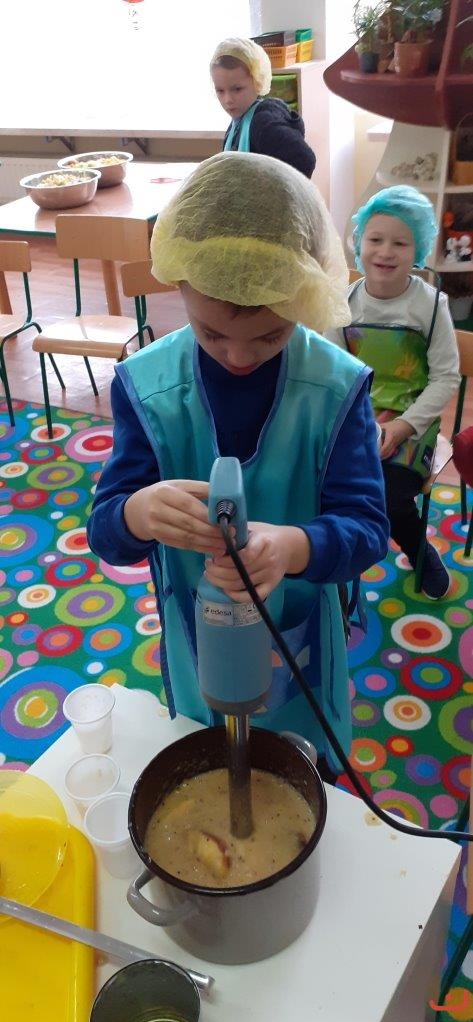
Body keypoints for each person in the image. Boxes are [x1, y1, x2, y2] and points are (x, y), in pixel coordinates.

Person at [87, 151, 388, 774]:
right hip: (198, 647)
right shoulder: (147, 388)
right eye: (211, 333)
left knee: (305, 772)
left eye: (271, 336)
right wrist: (137, 513)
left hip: (303, 649)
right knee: (212, 765)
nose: (240, 356)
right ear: (178, 286)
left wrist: (293, 546)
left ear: (306, 300)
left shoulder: (335, 389)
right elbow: (106, 533)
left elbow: (366, 529)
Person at [325, 185, 461, 600]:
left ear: (417, 248)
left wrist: (402, 426)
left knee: (386, 494)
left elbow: (446, 378)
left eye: (400, 243)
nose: (385, 251)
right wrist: (358, 424)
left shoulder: (431, 306)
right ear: (358, 243)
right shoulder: (343, 302)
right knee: (322, 482)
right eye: (375, 239)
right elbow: (332, 374)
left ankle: (419, 551)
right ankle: (332, 557)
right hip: (355, 417)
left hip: (412, 423)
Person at [210, 37, 316, 178]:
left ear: (257, 81)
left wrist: (270, 189)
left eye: (237, 89)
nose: (228, 99)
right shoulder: (239, 121)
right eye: (220, 91)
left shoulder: (263, 123)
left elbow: (304, 159)